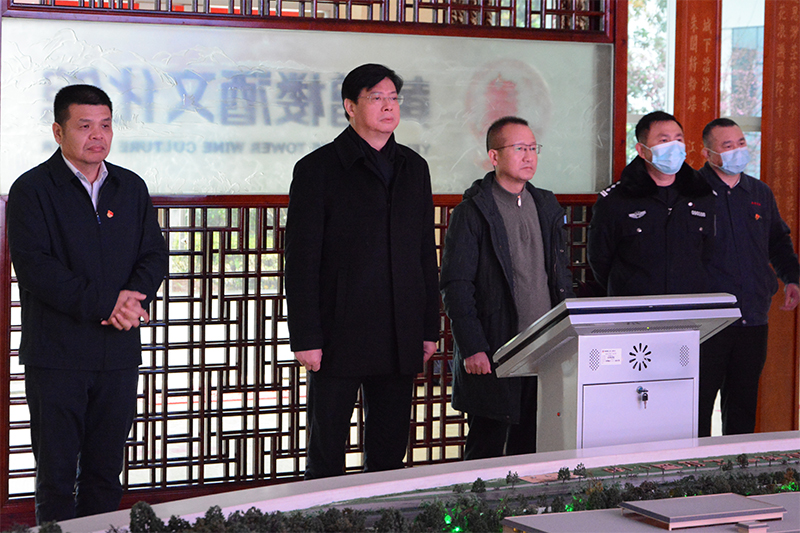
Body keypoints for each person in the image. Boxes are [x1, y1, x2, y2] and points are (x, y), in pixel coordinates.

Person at [6, 84, 168, 523]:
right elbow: (36, 269)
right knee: (56, 476)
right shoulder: (32, 189)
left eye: (105, 125)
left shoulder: (130, 187)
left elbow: (154, 254)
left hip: (117, 354)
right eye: (84, 126)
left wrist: (132, 300)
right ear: (58, 132)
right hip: (57, 356)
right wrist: (108, 303)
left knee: (105, 473)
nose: (98, 135)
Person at [284, 64, 440, 479]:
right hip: (338, 332)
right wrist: (306, 336)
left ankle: (382, 511)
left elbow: (425, 253)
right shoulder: (317, 168)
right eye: (376, 98)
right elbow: (300, 260)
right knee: (327, 451)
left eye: (393, 98)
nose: (388, 106)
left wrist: (428, 327)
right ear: (350, 107)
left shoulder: (414, 167)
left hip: (399, 330)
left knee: (389, 452)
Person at [440, 116, 574, 460]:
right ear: (494, 156)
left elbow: (560, 276)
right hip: (496, 348)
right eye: (519, 148)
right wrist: (472, 347)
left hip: (544, 349)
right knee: (486, 446)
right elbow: (456, 285)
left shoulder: (545, 205)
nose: (529, 156)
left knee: (533, 447)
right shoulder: (472, 212)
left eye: (533, 148)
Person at [696, 117, 800, 437]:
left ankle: (736, 464)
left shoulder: (759, 192)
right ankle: (695, 467)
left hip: (752, 316)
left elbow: (777, 241)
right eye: (727, 146)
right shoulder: (691, 191)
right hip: (707, 321)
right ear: (708, 153)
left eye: (740, 143)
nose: (737, 150)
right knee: (697, 407)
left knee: (742, 407)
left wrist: (792, 278)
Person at [587, 111, 715, 297]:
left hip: (688, 306)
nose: (673, 146)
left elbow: (710, 254)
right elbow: (600, 259)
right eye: (664, 140)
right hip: (634, 307)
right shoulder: (616, 199)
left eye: (678, 139)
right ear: (642, 150)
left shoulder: (701, 195)